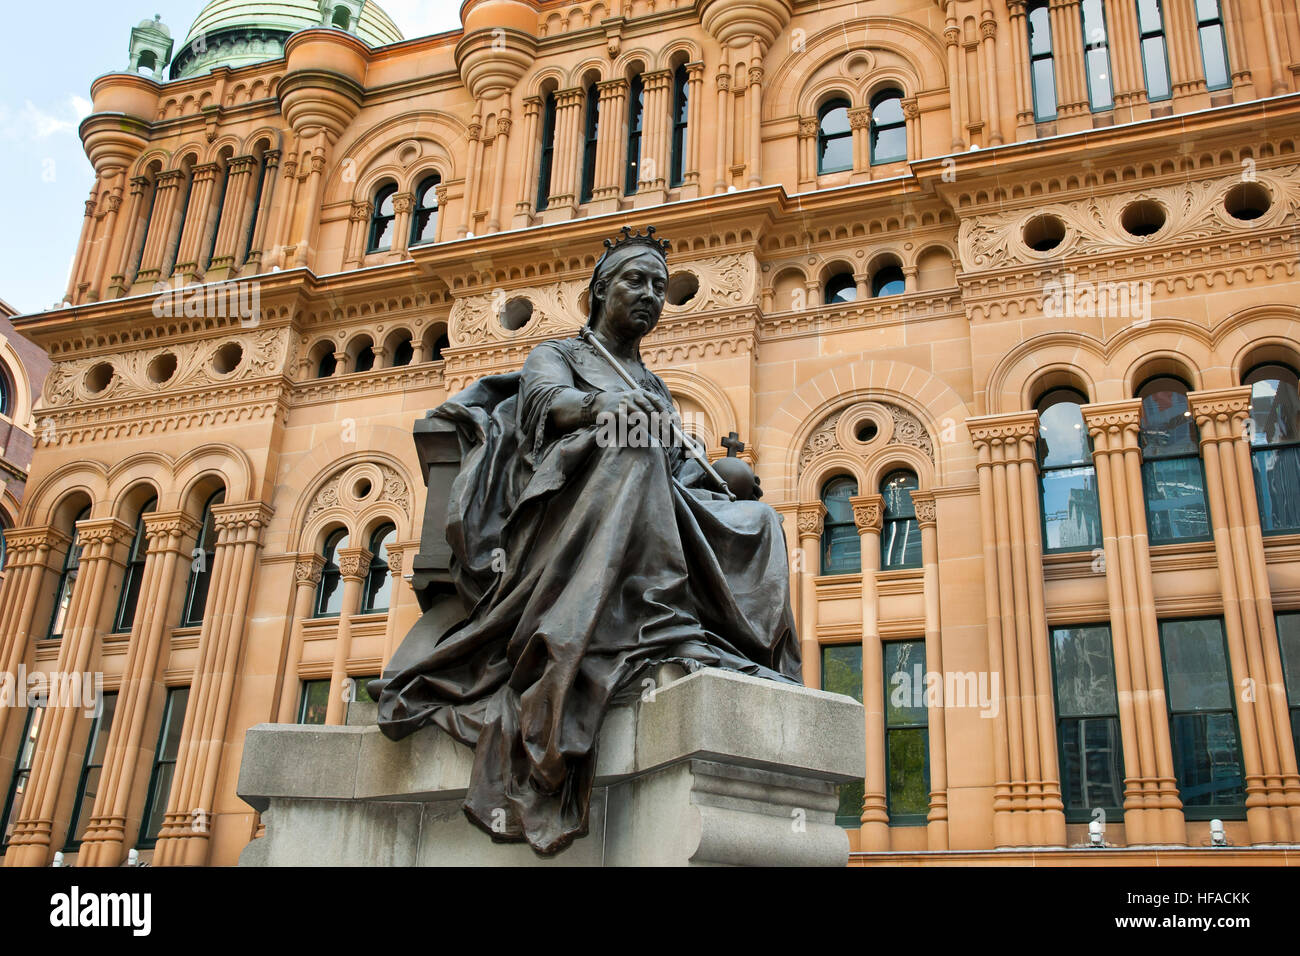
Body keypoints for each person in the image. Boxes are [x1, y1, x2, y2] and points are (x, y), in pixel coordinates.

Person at [374, 227, 801, 854]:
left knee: (760, 519)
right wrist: (605, 411)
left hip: (645, 501)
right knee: (628, 450)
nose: (650, 295)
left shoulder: (652, 383)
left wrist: (723, 476)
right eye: (636, 280)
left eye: (659, 285)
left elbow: (678, 468)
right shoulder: (559, 353)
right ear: (600, 291)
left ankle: (718, 639)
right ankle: (655, 623)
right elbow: (545, 406)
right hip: (560, 515)